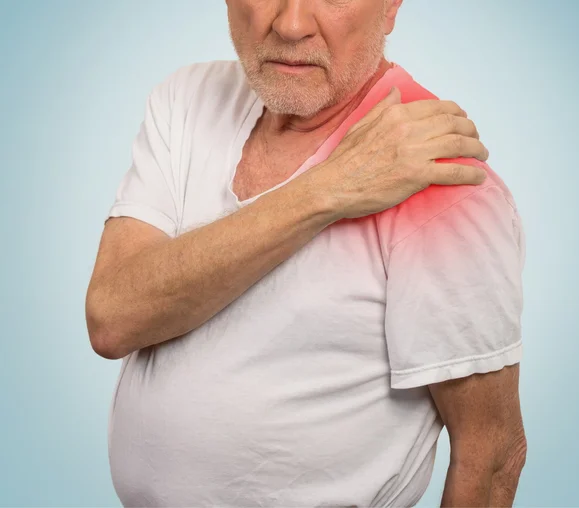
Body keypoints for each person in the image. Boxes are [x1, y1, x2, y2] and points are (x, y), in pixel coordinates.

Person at [85, 0, 527, 506]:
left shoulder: (439, 180)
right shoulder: (188, 99)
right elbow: (112, 318)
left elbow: (491, 454)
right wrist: (328, 190)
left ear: (389, 8)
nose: (291, 25)